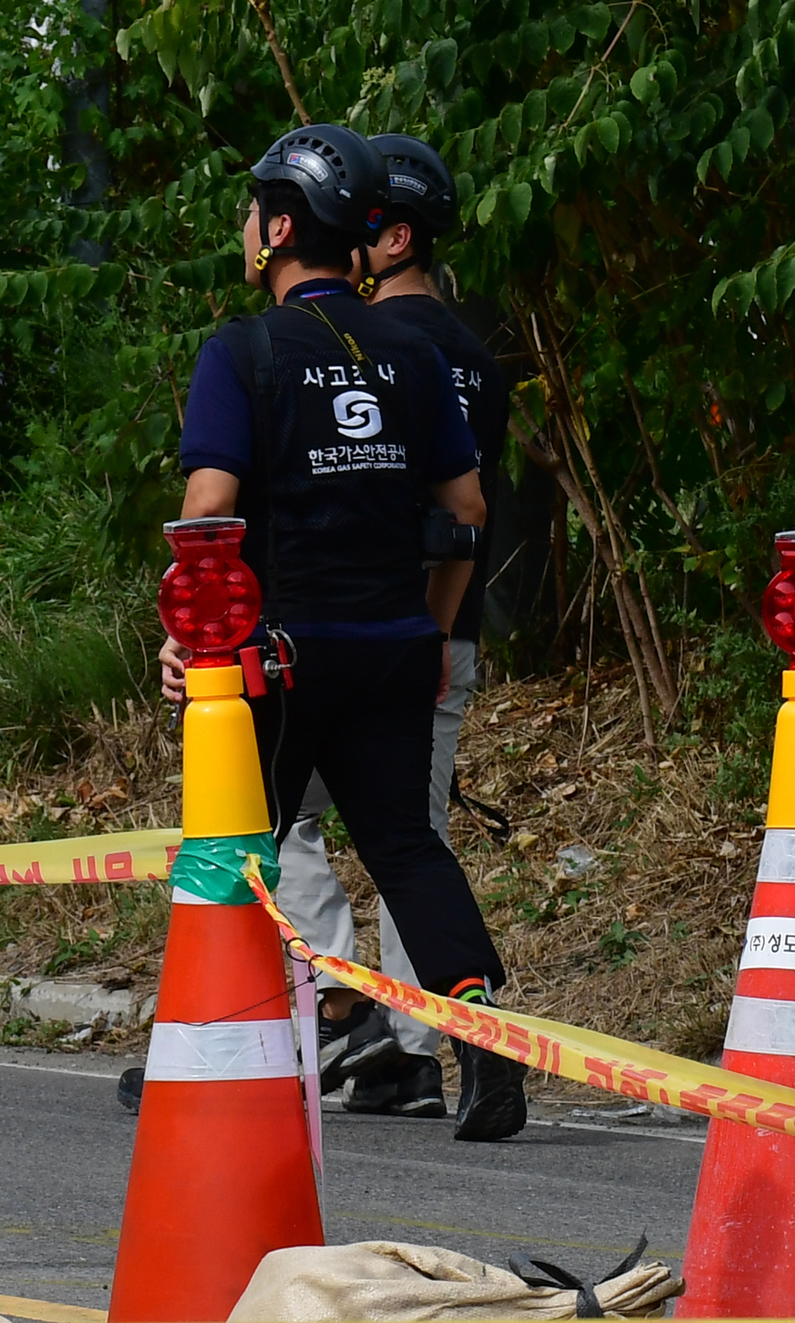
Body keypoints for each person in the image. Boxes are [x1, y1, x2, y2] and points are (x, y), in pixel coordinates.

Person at [152, 123, 527, 1143]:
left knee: (234, 846)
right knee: (406, 846)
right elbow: (466, 501)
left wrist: (189, 624)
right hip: (396, 641)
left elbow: (209, 504)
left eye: (250, 216)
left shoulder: (242, 351)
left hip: (279, 650)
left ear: (277, 229)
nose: (244, 231)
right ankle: (485, 1049)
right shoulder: (409, 351)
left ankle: (196, 1051)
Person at [275, 132, 512, 1131]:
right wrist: (432, 635)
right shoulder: (467, 358)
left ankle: (347, 1013)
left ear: (392, 236)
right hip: (422, 638)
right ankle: (426, 1046)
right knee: (413, 843)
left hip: (353, 630)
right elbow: (467, 510)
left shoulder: (373, 350)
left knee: (260, 826)